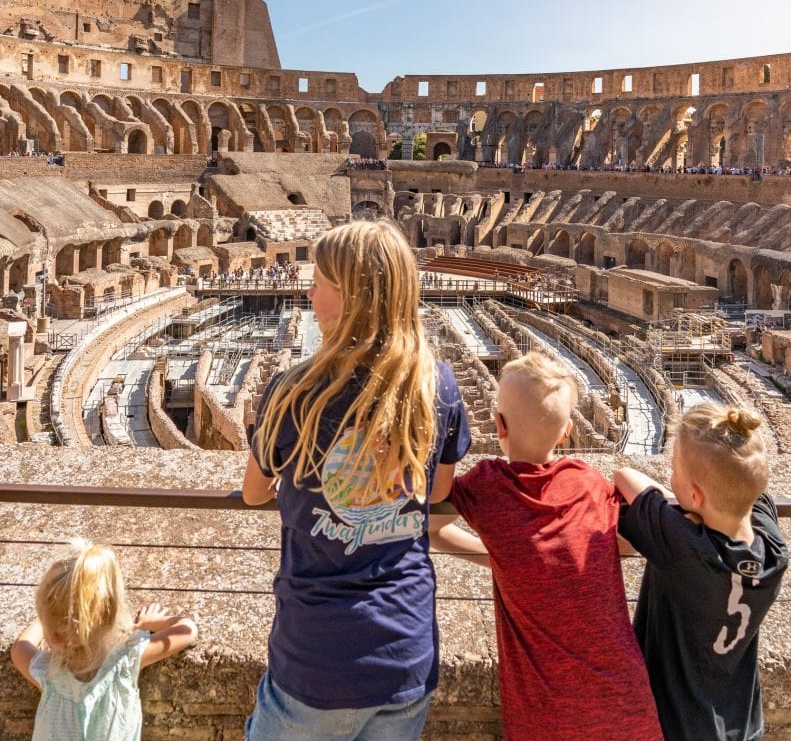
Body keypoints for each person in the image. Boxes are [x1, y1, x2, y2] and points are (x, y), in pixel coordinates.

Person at [242, 219, 471, 741]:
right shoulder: (437, 383)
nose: (308, 290)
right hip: (405, 652)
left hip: (315, 659)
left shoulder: (292, 391)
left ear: (347, 298)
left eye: (318, 282)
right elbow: (436, 492)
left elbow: (255, 492)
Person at [430, 352, 662, 741]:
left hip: (545, 719)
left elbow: (432, 529)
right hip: (628, 705)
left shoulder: (488, 486)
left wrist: (508, 559)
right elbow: (620, 542)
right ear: (567, 431)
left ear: (498, 426)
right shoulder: (588, 482)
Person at [615, 404, 789, 741]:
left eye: (673, 470)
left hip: (674, 727)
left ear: (694, 495)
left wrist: (680, 512)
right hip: (742, 725)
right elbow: (754, 495)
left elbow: (625, 477)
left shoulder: (683, 547)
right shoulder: (774, 551)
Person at [10, 539, 198, 741]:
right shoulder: (126, 660)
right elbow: (188, 630)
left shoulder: (49, 674)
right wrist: (148, 623)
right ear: (109, 616)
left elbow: (20, 647)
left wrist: (50, 612)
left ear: (52, 633)